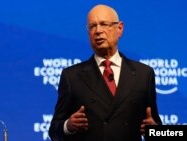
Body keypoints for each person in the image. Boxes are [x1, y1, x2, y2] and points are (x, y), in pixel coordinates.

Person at [48, 4, 162, 141]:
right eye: (92, 26)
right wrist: (68, 126)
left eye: (104, 24)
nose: (98, 31)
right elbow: (54, 131)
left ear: (119, 29)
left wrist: (154, 131)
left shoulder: (144, 74)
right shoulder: (71, 76)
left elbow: (155, 126)